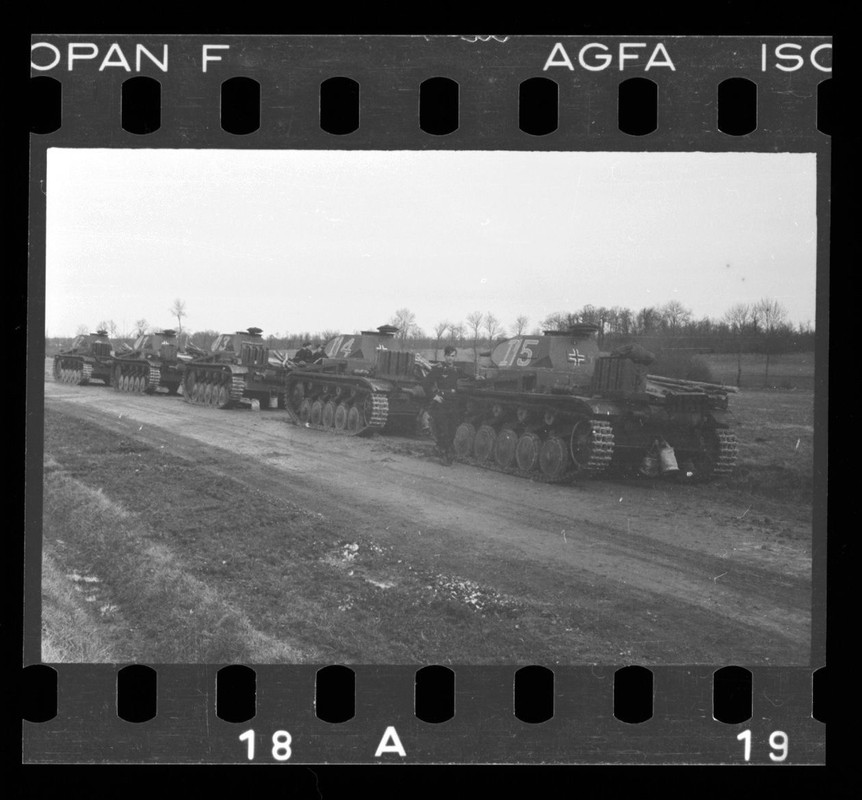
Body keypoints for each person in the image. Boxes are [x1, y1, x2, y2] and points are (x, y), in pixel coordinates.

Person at [423, 346, 465, 465]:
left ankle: (446, 451)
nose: (451, 358)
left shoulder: (457, 370)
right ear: (444, 356)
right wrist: (433, 396)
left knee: (452, 429)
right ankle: (445, 454)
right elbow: (425, 384)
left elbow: (468, 376)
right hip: (442, 402)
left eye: (453, 356)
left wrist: (478, 377)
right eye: (448, 356)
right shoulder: (438, 369)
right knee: (443, 429)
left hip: (453, 402)